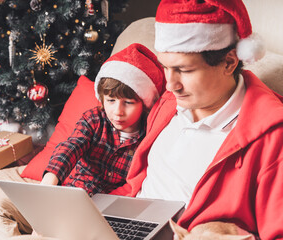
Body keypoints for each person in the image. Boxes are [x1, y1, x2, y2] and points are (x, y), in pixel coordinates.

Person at [110, 0, 283, 239]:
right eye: (165, 67)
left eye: (184, 70)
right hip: (131, 225)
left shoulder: (272, 136)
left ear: (229, 62)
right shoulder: (171, 103)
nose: (170, 84)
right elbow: (136, 185)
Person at [0, 43, 165, 239]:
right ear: (102, 99)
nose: (118, 111)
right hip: (61, 197)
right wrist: (47, 186)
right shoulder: (94, 119)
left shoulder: (147, 138)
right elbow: (70, 148)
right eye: (111, 101)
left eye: (128, 103)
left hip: (93, 217)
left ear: (144, 103)